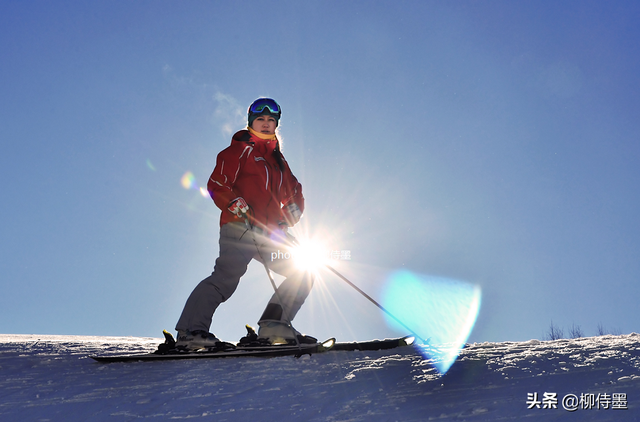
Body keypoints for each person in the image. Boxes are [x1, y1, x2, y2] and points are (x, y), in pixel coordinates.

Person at [175, 98, 315, 350]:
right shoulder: (239, 150)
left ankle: (274, 326)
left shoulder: (279, 163)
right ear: (251, 122)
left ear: (276, 125)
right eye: (260, 119)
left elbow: (295, 192)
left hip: (270, 233)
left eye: (271, 120)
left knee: (302, 272)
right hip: (240, 227)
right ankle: (190, 332)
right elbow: (217, 185)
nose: (265, 124)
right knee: (227, 277)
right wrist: (236, 204)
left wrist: (291, 214)